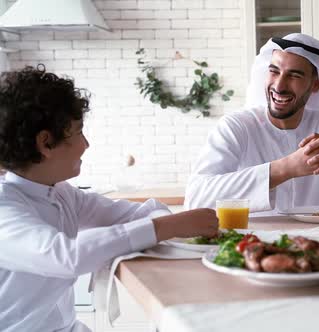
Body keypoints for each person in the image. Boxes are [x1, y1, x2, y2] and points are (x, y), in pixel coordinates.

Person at [0, 66, 218, 332]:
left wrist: (173, 221)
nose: (86, 144)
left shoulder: (59, 192)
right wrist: (169, 226)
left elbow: (134, 214)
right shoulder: (4, 206)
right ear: (46, 143)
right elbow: (67, 256)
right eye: (79, 131)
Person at [185, 33, 319, 214]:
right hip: (249, 246)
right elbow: (196, 199)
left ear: (315, 85)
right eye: (274, 71)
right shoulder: (236, 127)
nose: (279, 86)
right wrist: (284, 169)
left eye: (294, 75)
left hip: (317, 246)